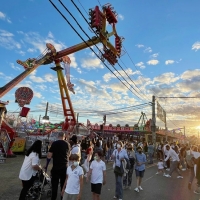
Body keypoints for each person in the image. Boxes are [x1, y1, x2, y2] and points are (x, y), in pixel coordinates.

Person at [45, 132, 71, 200]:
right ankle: (62, 198)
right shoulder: (67, 144)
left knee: (54, 186)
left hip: (56, 167)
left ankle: (53, 198)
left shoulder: (54, 143)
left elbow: (49, 155)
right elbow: (69, 155)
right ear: (64, 136)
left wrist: (47, 164)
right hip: (64, 167)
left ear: (58, 136)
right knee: (63, 186)